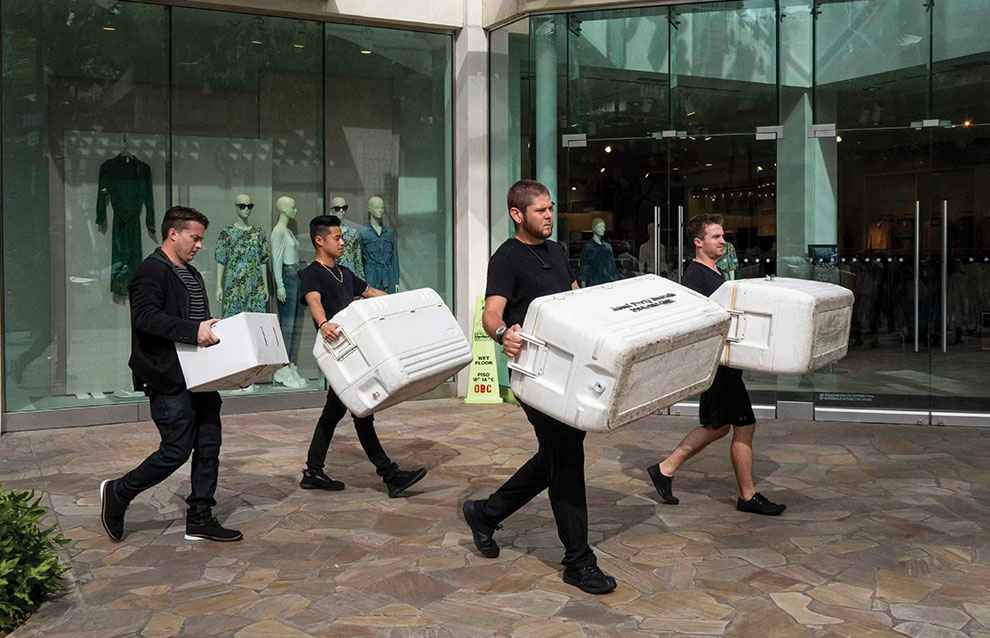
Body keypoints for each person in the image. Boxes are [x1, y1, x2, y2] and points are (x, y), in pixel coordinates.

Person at [462, 179, 617, 595]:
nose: (549, 216)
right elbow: (491, 313)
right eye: (541, 210)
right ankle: (578, 562)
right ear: (518, 214)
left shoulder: (556, 251)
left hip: (572, 371)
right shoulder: (507, 258)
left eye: (551, 209)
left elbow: (572, 297)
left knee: (554, 458)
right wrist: (502, 335)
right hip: (536, 377)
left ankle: (485, 513)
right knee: (566, 461)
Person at [99, 206, 242, 543]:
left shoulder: (192, 275)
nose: (200, 246)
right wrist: (194, 331)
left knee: (209, 446)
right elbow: (147, 318)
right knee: (175, 450)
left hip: (201, 377)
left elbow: (198, 324)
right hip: (167, 377)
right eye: (196, 238)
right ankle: (119, 491)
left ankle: (200, 517)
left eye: (201, 239)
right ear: (173, 233)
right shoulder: (150, 271)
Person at [646, 214, 786, 516]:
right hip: (718, 366)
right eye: (716, 237)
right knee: (744, 426)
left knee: (718, 426)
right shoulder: (696, 276)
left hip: (725, 364)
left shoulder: (716, 272)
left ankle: (665, 469)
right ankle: (747, 495)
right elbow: (695, 321)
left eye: (723, 236)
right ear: (699, 242)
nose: (723, 241)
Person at [298, 215, 426, 497]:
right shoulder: (312, 273)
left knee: (336, 413)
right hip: (336, 353)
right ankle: (389, 476)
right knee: (361, 411)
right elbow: (314, 301)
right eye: (337, 238)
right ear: (319, 241)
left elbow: (371, 293)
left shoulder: (344, 273)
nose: (343, 242)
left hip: (353, 353)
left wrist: (407, 305)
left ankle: (313, 471)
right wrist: (323, 324)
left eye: (342, 237)